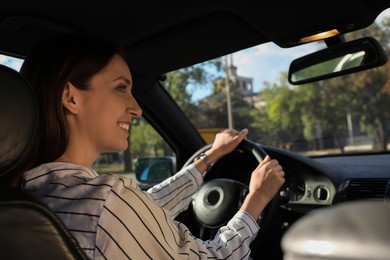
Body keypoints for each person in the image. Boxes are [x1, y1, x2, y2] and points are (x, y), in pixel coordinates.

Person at [18, 33, 285, 259]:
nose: (136, 108)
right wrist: (256, 200)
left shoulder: (31, 191)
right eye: (121, 88)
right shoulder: (106, 203)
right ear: (70, 97)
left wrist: (210, 157)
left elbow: (143, 209)